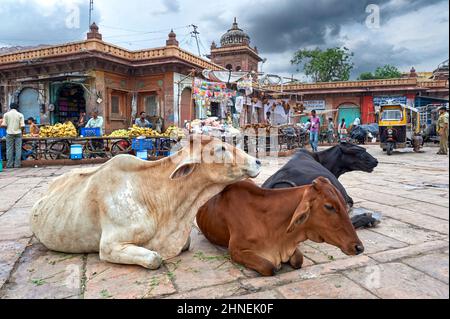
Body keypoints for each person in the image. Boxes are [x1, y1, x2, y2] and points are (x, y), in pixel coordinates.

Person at [2, 103, 25, 169]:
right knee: (18, 148)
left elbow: (4, 125)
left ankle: (9, 165)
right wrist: (21, 131)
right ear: (17, 108)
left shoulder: (6, 114)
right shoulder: (20, 115)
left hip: (9, 133)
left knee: (9, 149)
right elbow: (22, 126)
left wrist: (8, 128)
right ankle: (17, 164)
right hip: (18, 133)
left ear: (10, 107)